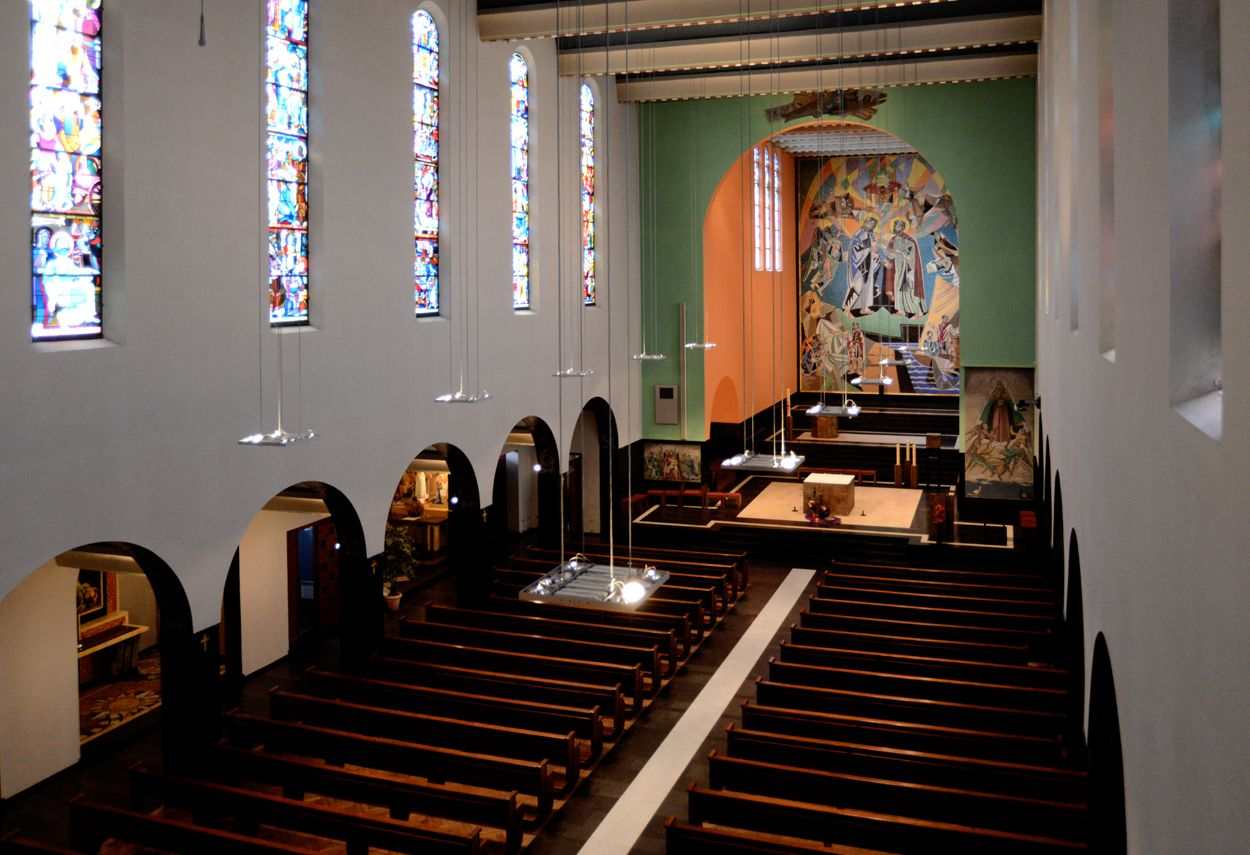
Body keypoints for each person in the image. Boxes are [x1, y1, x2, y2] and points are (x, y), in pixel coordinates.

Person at [884, 219, 925, 318]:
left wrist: (901, 252)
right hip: (898, 269)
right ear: (894, 227)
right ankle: (901, 310)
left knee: (910, 289)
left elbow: (911, 251)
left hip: (908, 268)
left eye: (901, 225)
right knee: (898, 288)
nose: (899, 227)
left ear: (903, 227)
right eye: (897, 225)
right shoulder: (893, 239)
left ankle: (918, 312)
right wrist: (891, 254)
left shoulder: (908, 239)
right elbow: (889, 254)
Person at [842, 216, 879, 316]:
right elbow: (855, 247)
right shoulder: (859, 233)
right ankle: (847, 309)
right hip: (858, 264)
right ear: (865, 222)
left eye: (873, 225)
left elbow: (874, 248)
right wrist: (868, 245)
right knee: (857, 286)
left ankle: (864, 308)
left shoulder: (872, 235)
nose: (871, 226)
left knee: (868, 286)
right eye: (870, 223)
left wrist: (875, 254)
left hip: (868, 264)